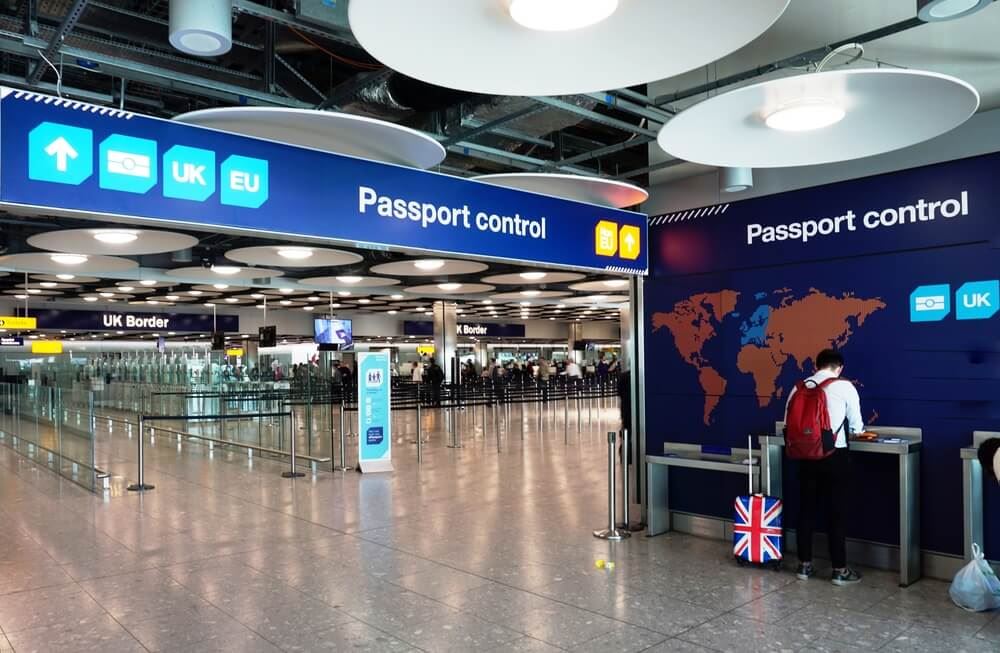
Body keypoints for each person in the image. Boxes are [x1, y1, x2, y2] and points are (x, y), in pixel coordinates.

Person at [785, 349, 864, 586]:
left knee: (806, 509)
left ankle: (804, 566)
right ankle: (839, 570)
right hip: (834, 455)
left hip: (804, 456)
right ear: (839, 367)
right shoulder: (844, 387)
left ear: (816, 365)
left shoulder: (798, 388)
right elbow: (857, 427)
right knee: (836, 512)